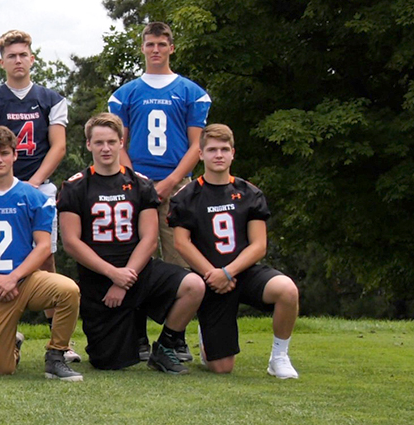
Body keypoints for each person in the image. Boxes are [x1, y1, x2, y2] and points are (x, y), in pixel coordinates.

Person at [58, 113, 204, 374]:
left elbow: (149, 239)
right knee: (109, 362)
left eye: (111, 142)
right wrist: (113, 275)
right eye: (99, 142)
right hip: (99, 278)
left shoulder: (140, 184)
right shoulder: (75, 187)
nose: (105, 148)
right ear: (88, 144)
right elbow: (70, 242)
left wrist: (125, 277)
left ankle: (166, 345)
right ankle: (130, 335)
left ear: (121, 142)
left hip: (138, 270)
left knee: (194, 284)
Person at [0, 29, 80, 364]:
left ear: (32, 58)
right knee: (1, 258)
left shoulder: (51, 98)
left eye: (23, 55)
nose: (18, 61)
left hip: (40, 187)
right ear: (2, 61)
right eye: (11, 56)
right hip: (0, 189)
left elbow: (58, 146)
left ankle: (58, 338)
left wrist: (31, 183)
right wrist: (13, 185)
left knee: (44, 258)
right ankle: (11, 332)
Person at [108, 22, 211, 360]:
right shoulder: (125, 94)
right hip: (134, 184)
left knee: (180, 261)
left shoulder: (190, 91)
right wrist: (137, 179)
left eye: (161, 44)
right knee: (134, 261)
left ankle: (174, 336)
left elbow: (198, 145)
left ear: (171, 47)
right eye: (150, 44)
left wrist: (170, 182)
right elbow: (117, 142)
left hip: (177, 184)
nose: (155, 49)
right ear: (142, 48)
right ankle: (136, 334)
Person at [0, 126, 82, 381]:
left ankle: (56, 356)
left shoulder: (33, 196)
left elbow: (43, 246)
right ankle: (13, 344)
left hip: (26, 281)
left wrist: (14, 277)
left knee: (68, 290)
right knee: (3, 369)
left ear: (14, 155)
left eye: (4, 153)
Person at [168, 124, 300, 379]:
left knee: (287, 290)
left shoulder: (249, 192)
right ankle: (208, 340)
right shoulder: (187, 196)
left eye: (224, 149)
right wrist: (213, 274)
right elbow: (181, 243)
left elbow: (259, 245)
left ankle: (279, 356)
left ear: (232, 154)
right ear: (201, 154)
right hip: (209, 279)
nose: (219, 154)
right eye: (212, 149)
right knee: (222, 368)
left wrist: (228, 272)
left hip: (243, 271)